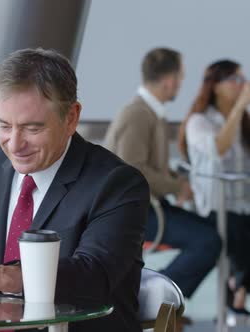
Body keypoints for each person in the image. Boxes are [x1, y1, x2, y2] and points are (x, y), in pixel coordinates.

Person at [0, 48, 150, 332]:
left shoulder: (117, 184)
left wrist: (6, 276)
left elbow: (94, 277)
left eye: (32, 129)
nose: (14, 144)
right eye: (4, 126)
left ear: (71, 118)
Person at [105, 47, 221, 300]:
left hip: (147, 207)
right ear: (169, 81)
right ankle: (153, 300)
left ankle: (164, 302)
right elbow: (133, 171)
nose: (181, 83)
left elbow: (149, 166)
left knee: (214, 229)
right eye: (181, 77)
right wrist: (177, 188)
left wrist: (177, 183)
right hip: (131, 214)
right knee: (208, 240)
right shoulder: (137, 114)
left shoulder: (150, 112)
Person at [178, 59, 250, 314]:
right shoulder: (199, 121)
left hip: (243, 206)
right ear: (216, 86)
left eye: (243, 79)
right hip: (215, 209)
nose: (242, 85)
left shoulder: (245, 123)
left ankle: (239, 286)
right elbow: (217, 148)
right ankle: (238, 288)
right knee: (240, 230)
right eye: (235, 80)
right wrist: (240, 106)